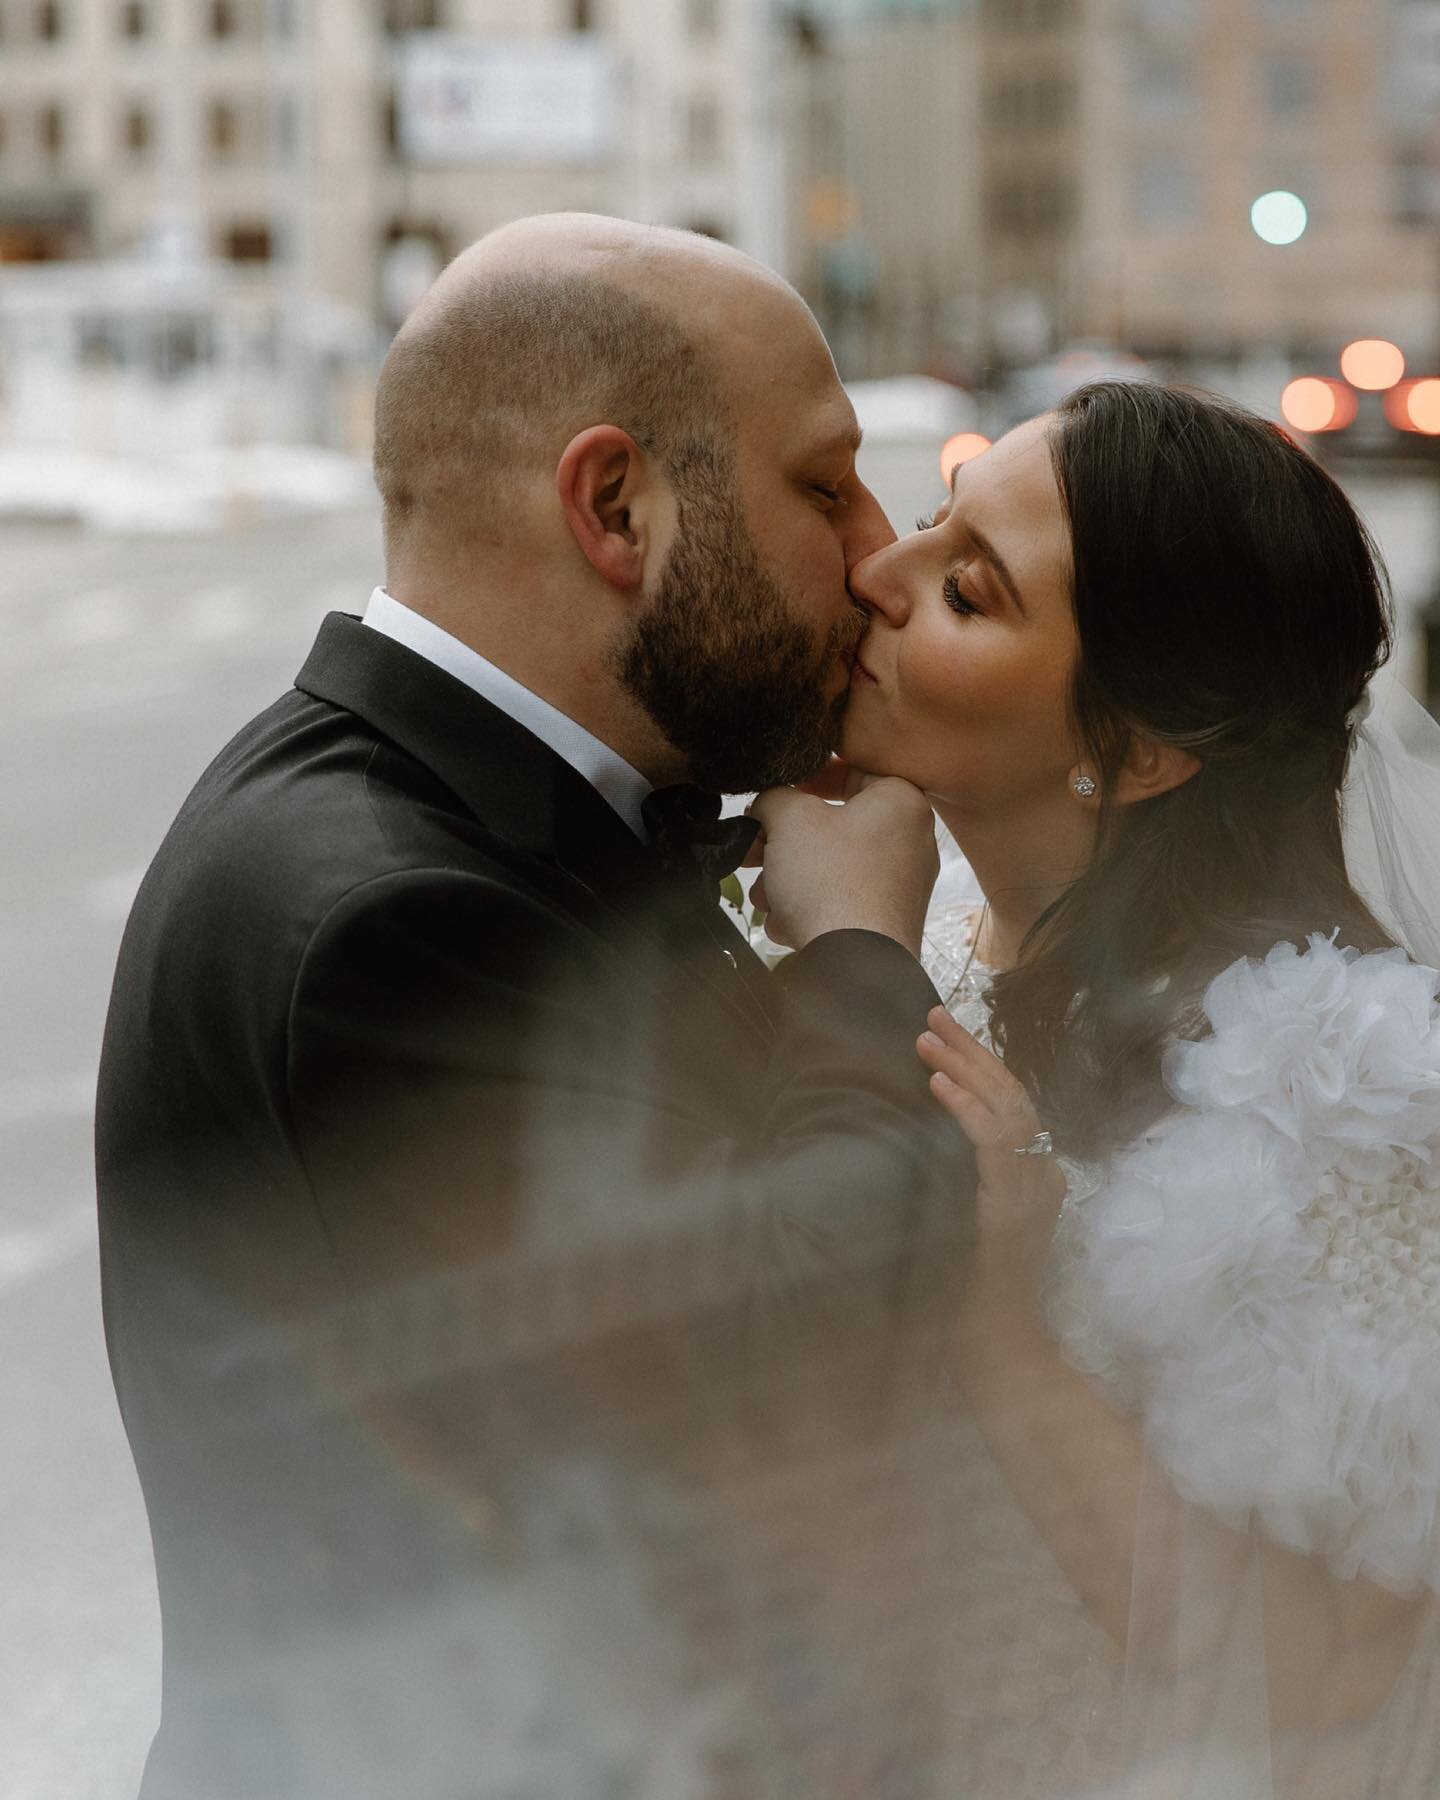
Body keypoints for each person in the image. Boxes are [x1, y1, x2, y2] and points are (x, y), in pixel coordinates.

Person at [94, 216, 977, 1800]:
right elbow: (783, 1384)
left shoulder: (437, 817)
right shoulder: (391, 918)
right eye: (823, 482)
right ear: (616, 505)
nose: (875, 544)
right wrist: (855, 951)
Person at [758, 380, 1440, 1796]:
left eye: (969, 588)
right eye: (933, 520)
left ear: (1134, 751)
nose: (876, 576)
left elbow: (1325, 1674)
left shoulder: (1354, 1098)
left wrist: (999, 1323)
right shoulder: (916, 943)